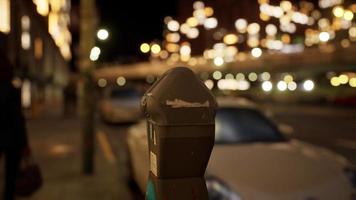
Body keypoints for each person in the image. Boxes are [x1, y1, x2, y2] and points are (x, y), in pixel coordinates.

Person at [0, 47, 29, 200]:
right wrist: (24, 144)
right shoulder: (11, 90)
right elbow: (18, 119)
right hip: (12, 140)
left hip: (9, 138)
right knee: (11, 178)